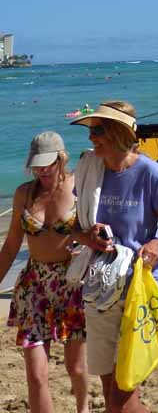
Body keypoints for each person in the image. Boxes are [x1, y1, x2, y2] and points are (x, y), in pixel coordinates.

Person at [69, 101, 158, 413]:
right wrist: (88, 237)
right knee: (109, 386)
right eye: (91, 130)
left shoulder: (149, 172)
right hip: (101, 286)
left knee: (123, 384)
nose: (92, 137)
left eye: (99, 130)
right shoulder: (89, 169)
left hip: (140, 287)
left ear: (120, 132)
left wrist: (156, 245)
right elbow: (73, 228)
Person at [0, 131, 89, 413]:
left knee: (75, 368)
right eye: (37, 165)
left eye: (48, 163)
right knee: (36, 376)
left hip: (72, 284)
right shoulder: (24, 194)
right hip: (33, 287)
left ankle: (83, 407)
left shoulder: (79, 186)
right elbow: (12, 245)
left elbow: (100, 231)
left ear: (62, 158)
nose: (42, 170)